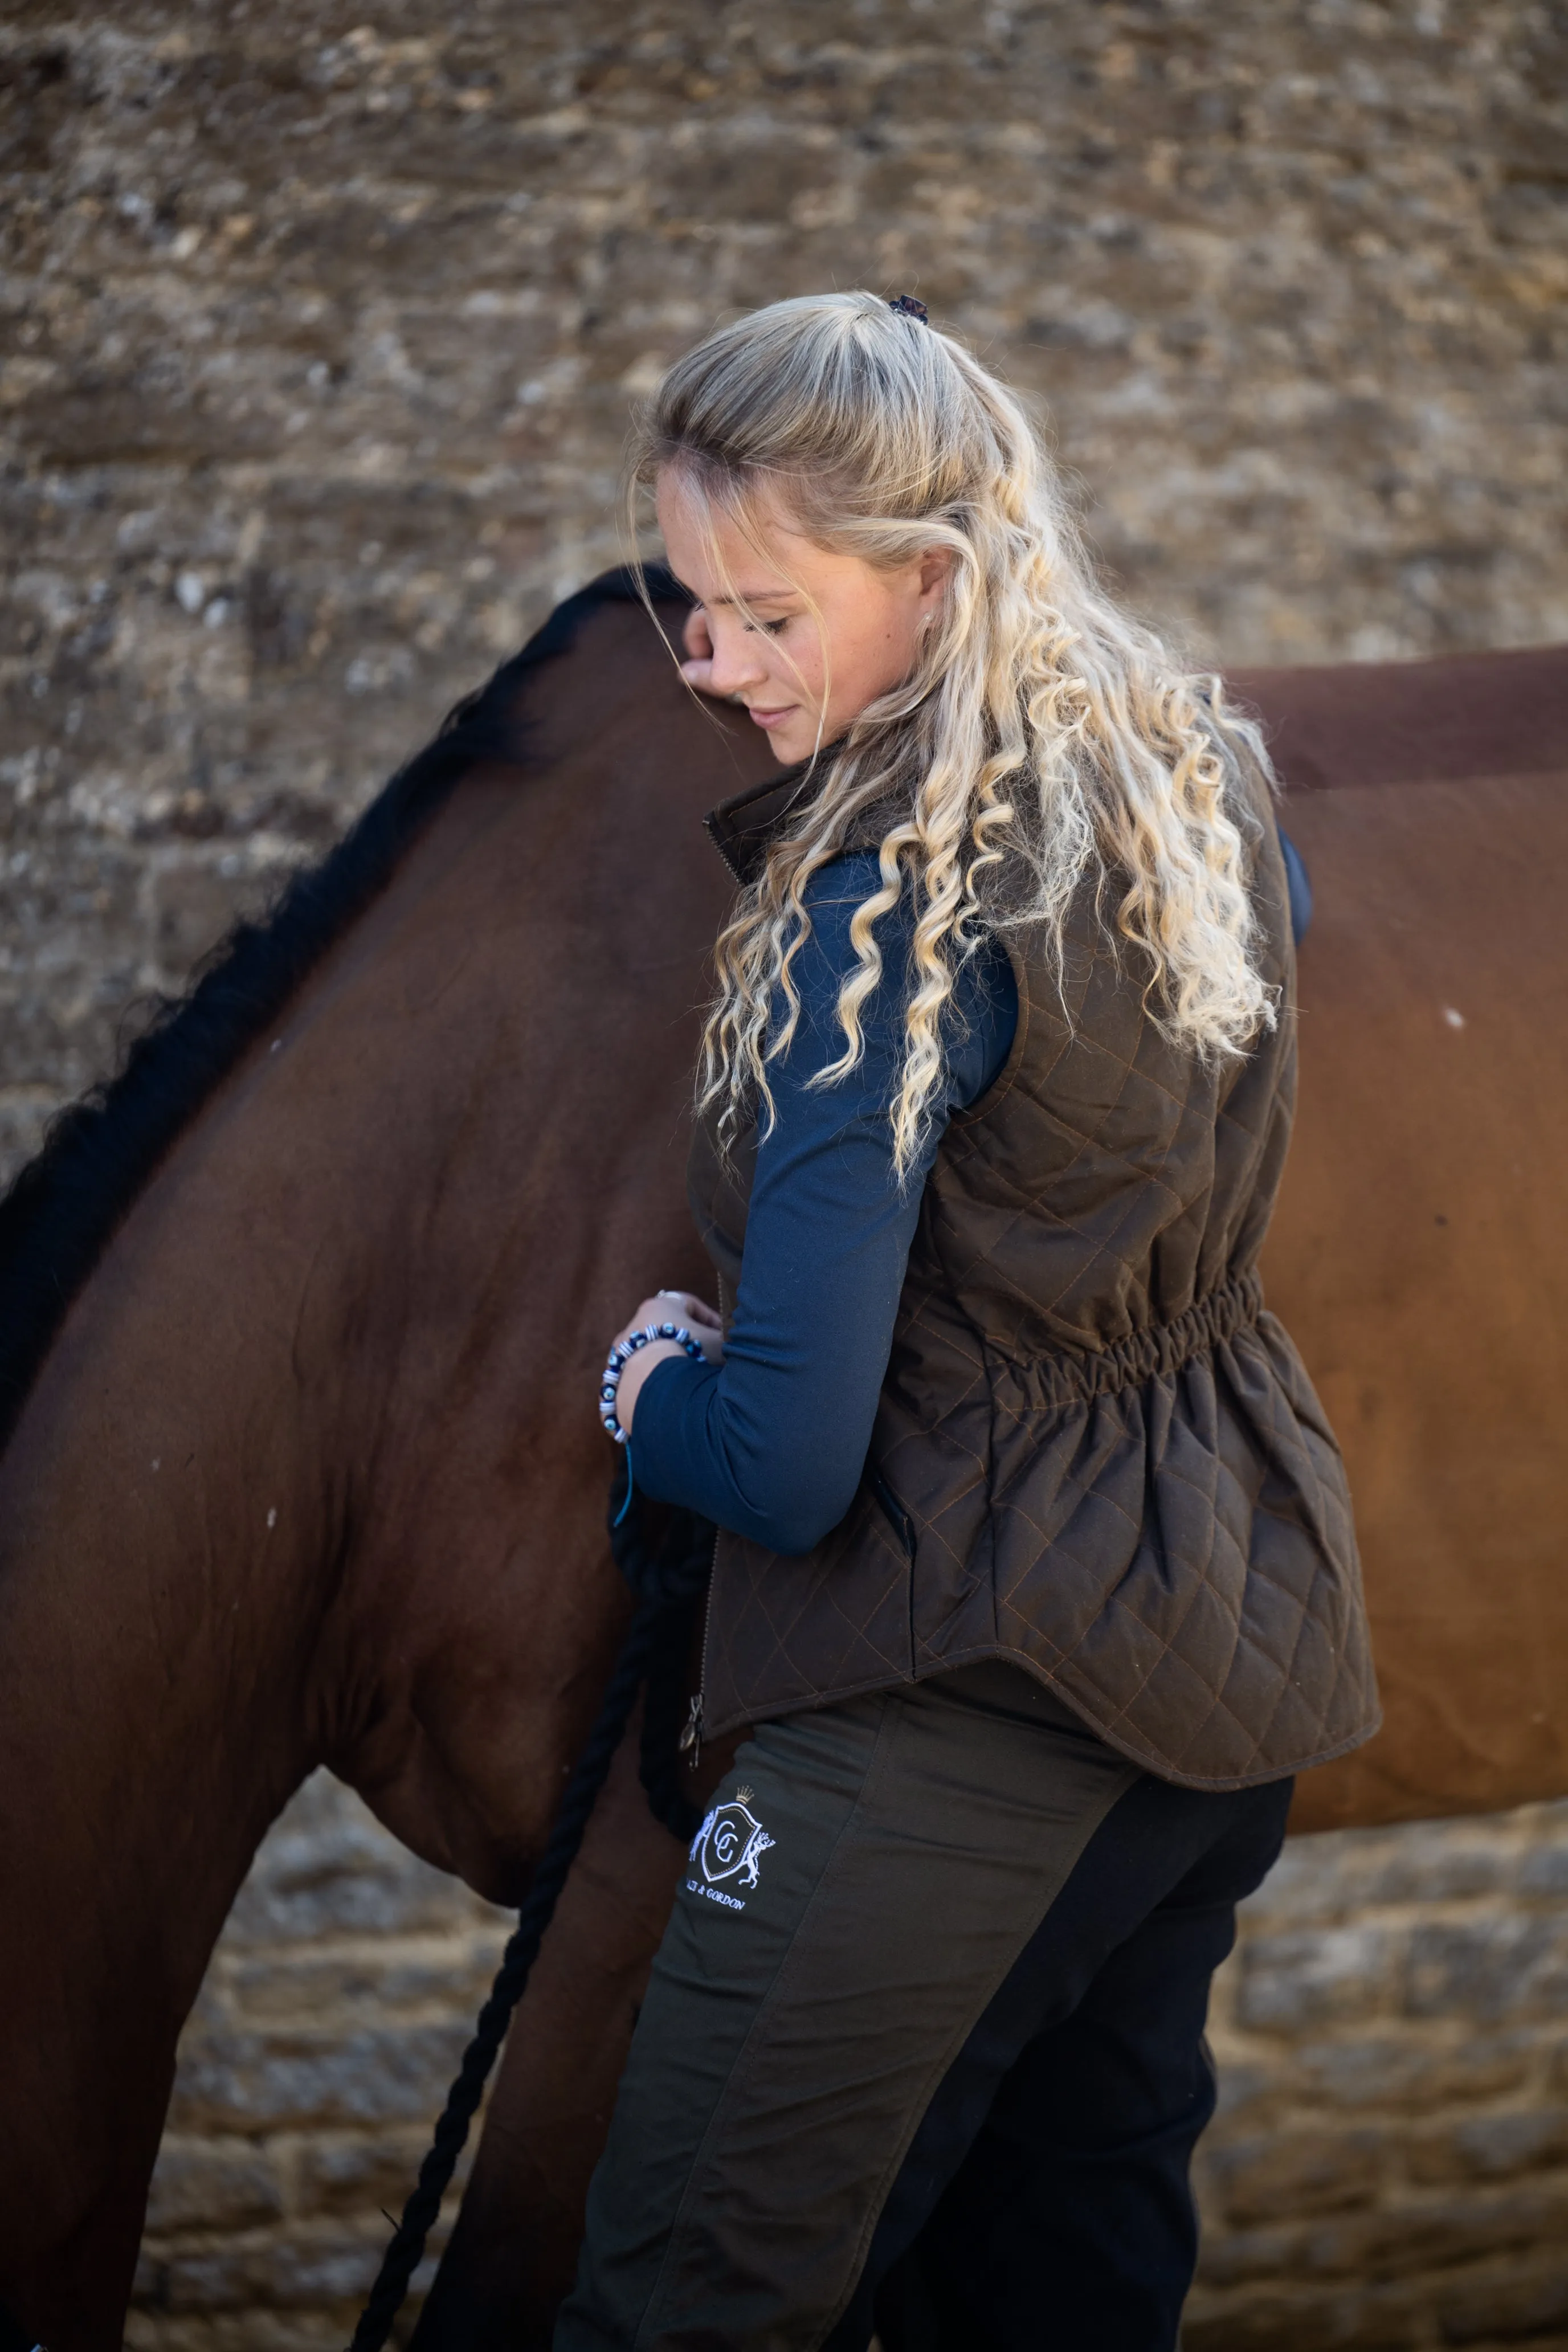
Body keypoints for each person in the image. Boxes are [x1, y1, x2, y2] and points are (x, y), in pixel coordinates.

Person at [558, 291, 1378, 2352]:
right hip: (1225, 1657)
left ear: (933, 577)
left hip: (963, 1689)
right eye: (688, 604)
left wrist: (650, 1389)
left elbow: (787, 1454)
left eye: (764, 611)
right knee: (1060, 2300)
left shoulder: (880, 918)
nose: (709, 662)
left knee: (685, 2300)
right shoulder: (1190, 787)